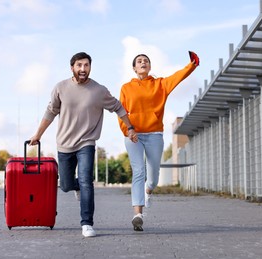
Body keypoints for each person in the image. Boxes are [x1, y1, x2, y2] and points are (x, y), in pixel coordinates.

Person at [29, 52, 138, 238]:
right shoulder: (60, 88)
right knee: (65, 185)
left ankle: (87, 223)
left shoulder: (99, 90)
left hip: (87, 142)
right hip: (64, 143)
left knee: (87, 180)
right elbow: (50, 113)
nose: (83, 69)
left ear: (90, 67)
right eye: (79, 65)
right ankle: (76, 186)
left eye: (86, 65)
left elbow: (118, 107)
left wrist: (130, 127)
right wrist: (37, 136)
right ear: (72, 67)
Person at [118, 51, 199, 231]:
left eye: (146, 60)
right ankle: (137, 214)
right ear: (134, 67)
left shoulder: (160, 84)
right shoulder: (126, 88)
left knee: (153, 176)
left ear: (150, 66)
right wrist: (127, 130)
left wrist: (192, 65)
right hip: (133, 135)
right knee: (138, 171)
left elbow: (178, 77)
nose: (142, 62)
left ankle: (149, 190)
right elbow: (121, 112)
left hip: (154, 134)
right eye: (139, 61)